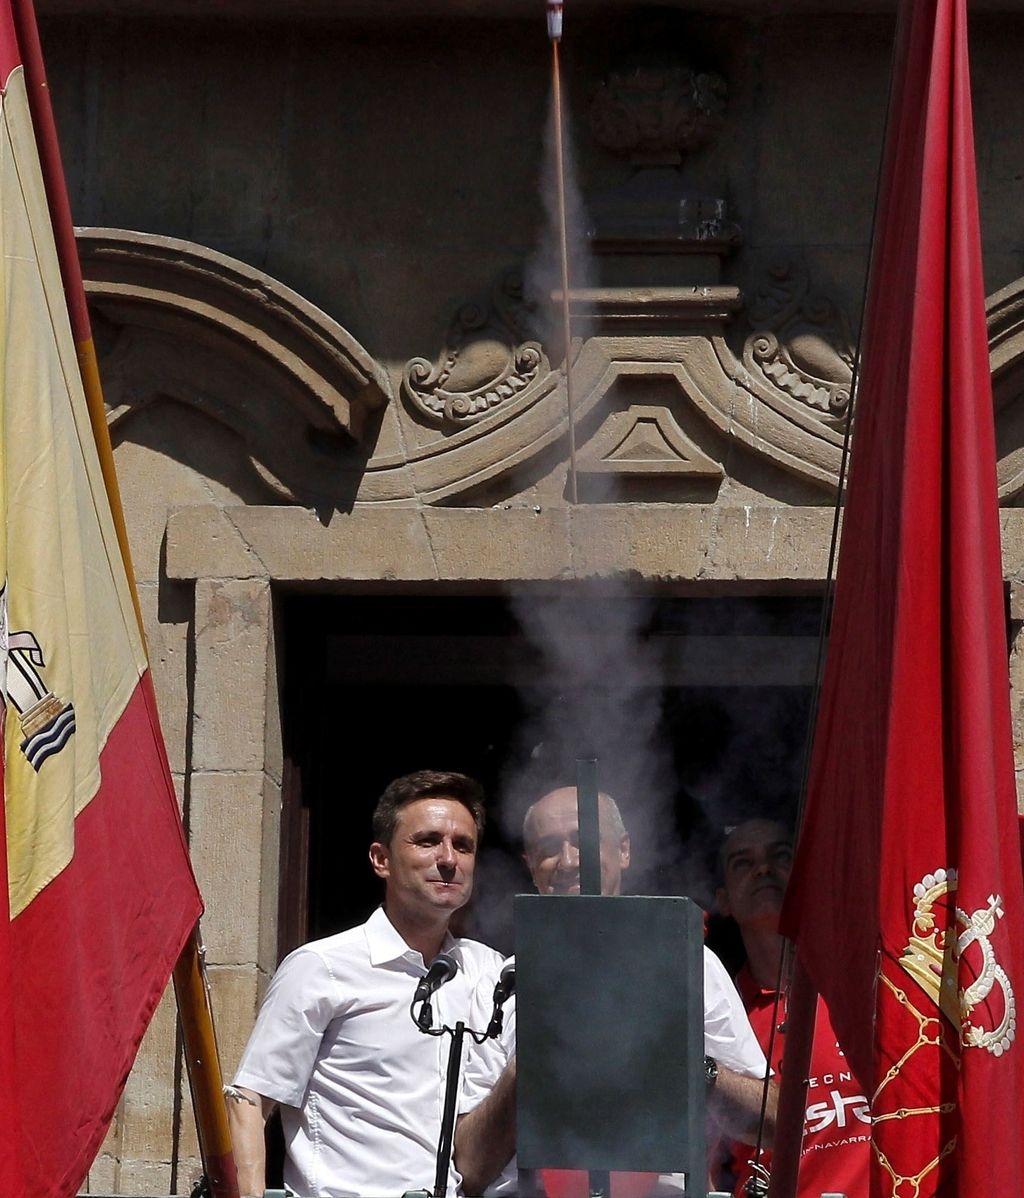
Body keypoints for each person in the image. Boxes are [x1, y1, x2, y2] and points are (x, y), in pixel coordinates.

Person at [455, 786, 775, 1198]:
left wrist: (695, 1067)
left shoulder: (688, 962)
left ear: (624, 851)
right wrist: (529, 1066)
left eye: (585, 842)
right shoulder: (501, 986)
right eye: (549, 848)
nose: (570, 861)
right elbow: (470, 1169)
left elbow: (772, 1123)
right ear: (530, 864)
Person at [226, 770, 504, 1198]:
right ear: (381, 859)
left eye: (463, 846)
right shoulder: (323, 967)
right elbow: (248, 1103)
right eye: (427, 841)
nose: (448, 858)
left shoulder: (488, 972)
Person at [714, 818, 869, 1198]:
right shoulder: (718, 1015)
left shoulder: (868, 989)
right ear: (723, 901)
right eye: (743, 863)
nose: (764, 869)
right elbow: (701, 1165)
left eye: (781, 857)